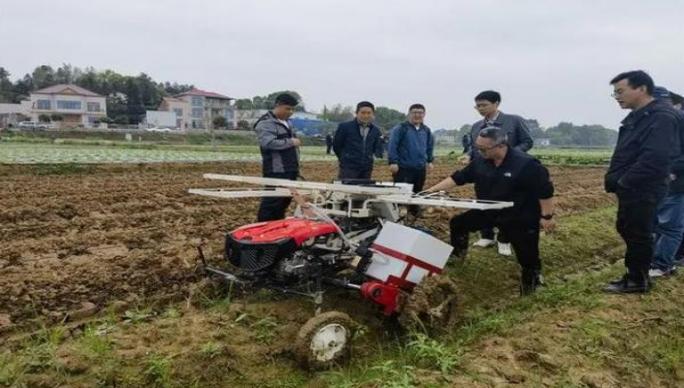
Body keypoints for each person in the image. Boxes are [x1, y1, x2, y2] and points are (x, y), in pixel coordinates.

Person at [426, 126, 555, 295]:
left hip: (520, 215)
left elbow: (545, 192)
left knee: (527, 253)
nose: (479, 152)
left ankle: (532, 282)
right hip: (489, 209)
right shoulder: (481, 161)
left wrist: (547, 216)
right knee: (458, 223)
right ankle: (457, 257)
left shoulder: (526, 165)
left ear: (501, 146)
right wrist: (430, 192)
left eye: (483, 149)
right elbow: (458, 178)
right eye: (477, 148)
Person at [603, 70, 679, 293]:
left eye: (620, 91)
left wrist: (625, 181)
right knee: (628, 227)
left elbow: (655, 157)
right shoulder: (641, 115)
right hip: (634, 186)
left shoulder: (661, 116)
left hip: (644, 186)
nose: (616, 96)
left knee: (639, 232)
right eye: (614, 93)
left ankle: (637, 280)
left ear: (641, 89)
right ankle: (635, 275)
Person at [468, 90, 534, 257]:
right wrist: (467, 155)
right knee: (483, 201)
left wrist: (509, 155)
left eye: (484, 105)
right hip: (484, 171)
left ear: (496, 103)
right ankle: (487, 235)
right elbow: (473, 148)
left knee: (507, 204)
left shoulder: (514, 121)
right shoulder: (476, 127)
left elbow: (527, 141)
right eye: (478, 106)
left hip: (508, 170)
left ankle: (504, 239)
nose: (480, 109)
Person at [649, 87, 684, 278]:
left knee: (670, 224)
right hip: (659, 183)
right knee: (658, 223)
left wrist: (671, 171)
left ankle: (663, 264)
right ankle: (660, 260)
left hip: (675, 182)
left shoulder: (678, 122)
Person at [254, 93, 302, 221]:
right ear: (278, 105)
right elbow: (268, 143)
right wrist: (291, 142)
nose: (290, 112)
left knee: (283, 202)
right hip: (276, 170)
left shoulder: (287, 123)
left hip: (290, 168)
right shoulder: (266, 123)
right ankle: (262, 230)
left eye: (292, 109)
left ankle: (277, 228)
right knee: (272, 203)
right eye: (287, 108)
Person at [388, 104, 435, 216]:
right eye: (414, 112)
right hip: (404, 166)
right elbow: (392, 145)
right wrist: (393, 162)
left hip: (419, 166)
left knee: (418, 189)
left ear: (424, 115)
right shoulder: (401, 128)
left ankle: (415, 210)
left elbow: (429, 147)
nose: (417, 115)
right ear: (409, 114)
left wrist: (429, 161)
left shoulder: (426, 130)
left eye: (420, 113)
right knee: (402, 189)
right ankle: (401, 208)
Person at [333, 101, 384, 180]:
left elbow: (375, 147)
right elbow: (337, 145)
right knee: (347, 190)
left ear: (373, 114)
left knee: (363, 191)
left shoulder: (376, 130)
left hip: (366, 169)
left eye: (369, 113)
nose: (366, 115)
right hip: (348, 168)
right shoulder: (345, 127)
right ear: (357, 113)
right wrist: (345, 158)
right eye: (363, 113)